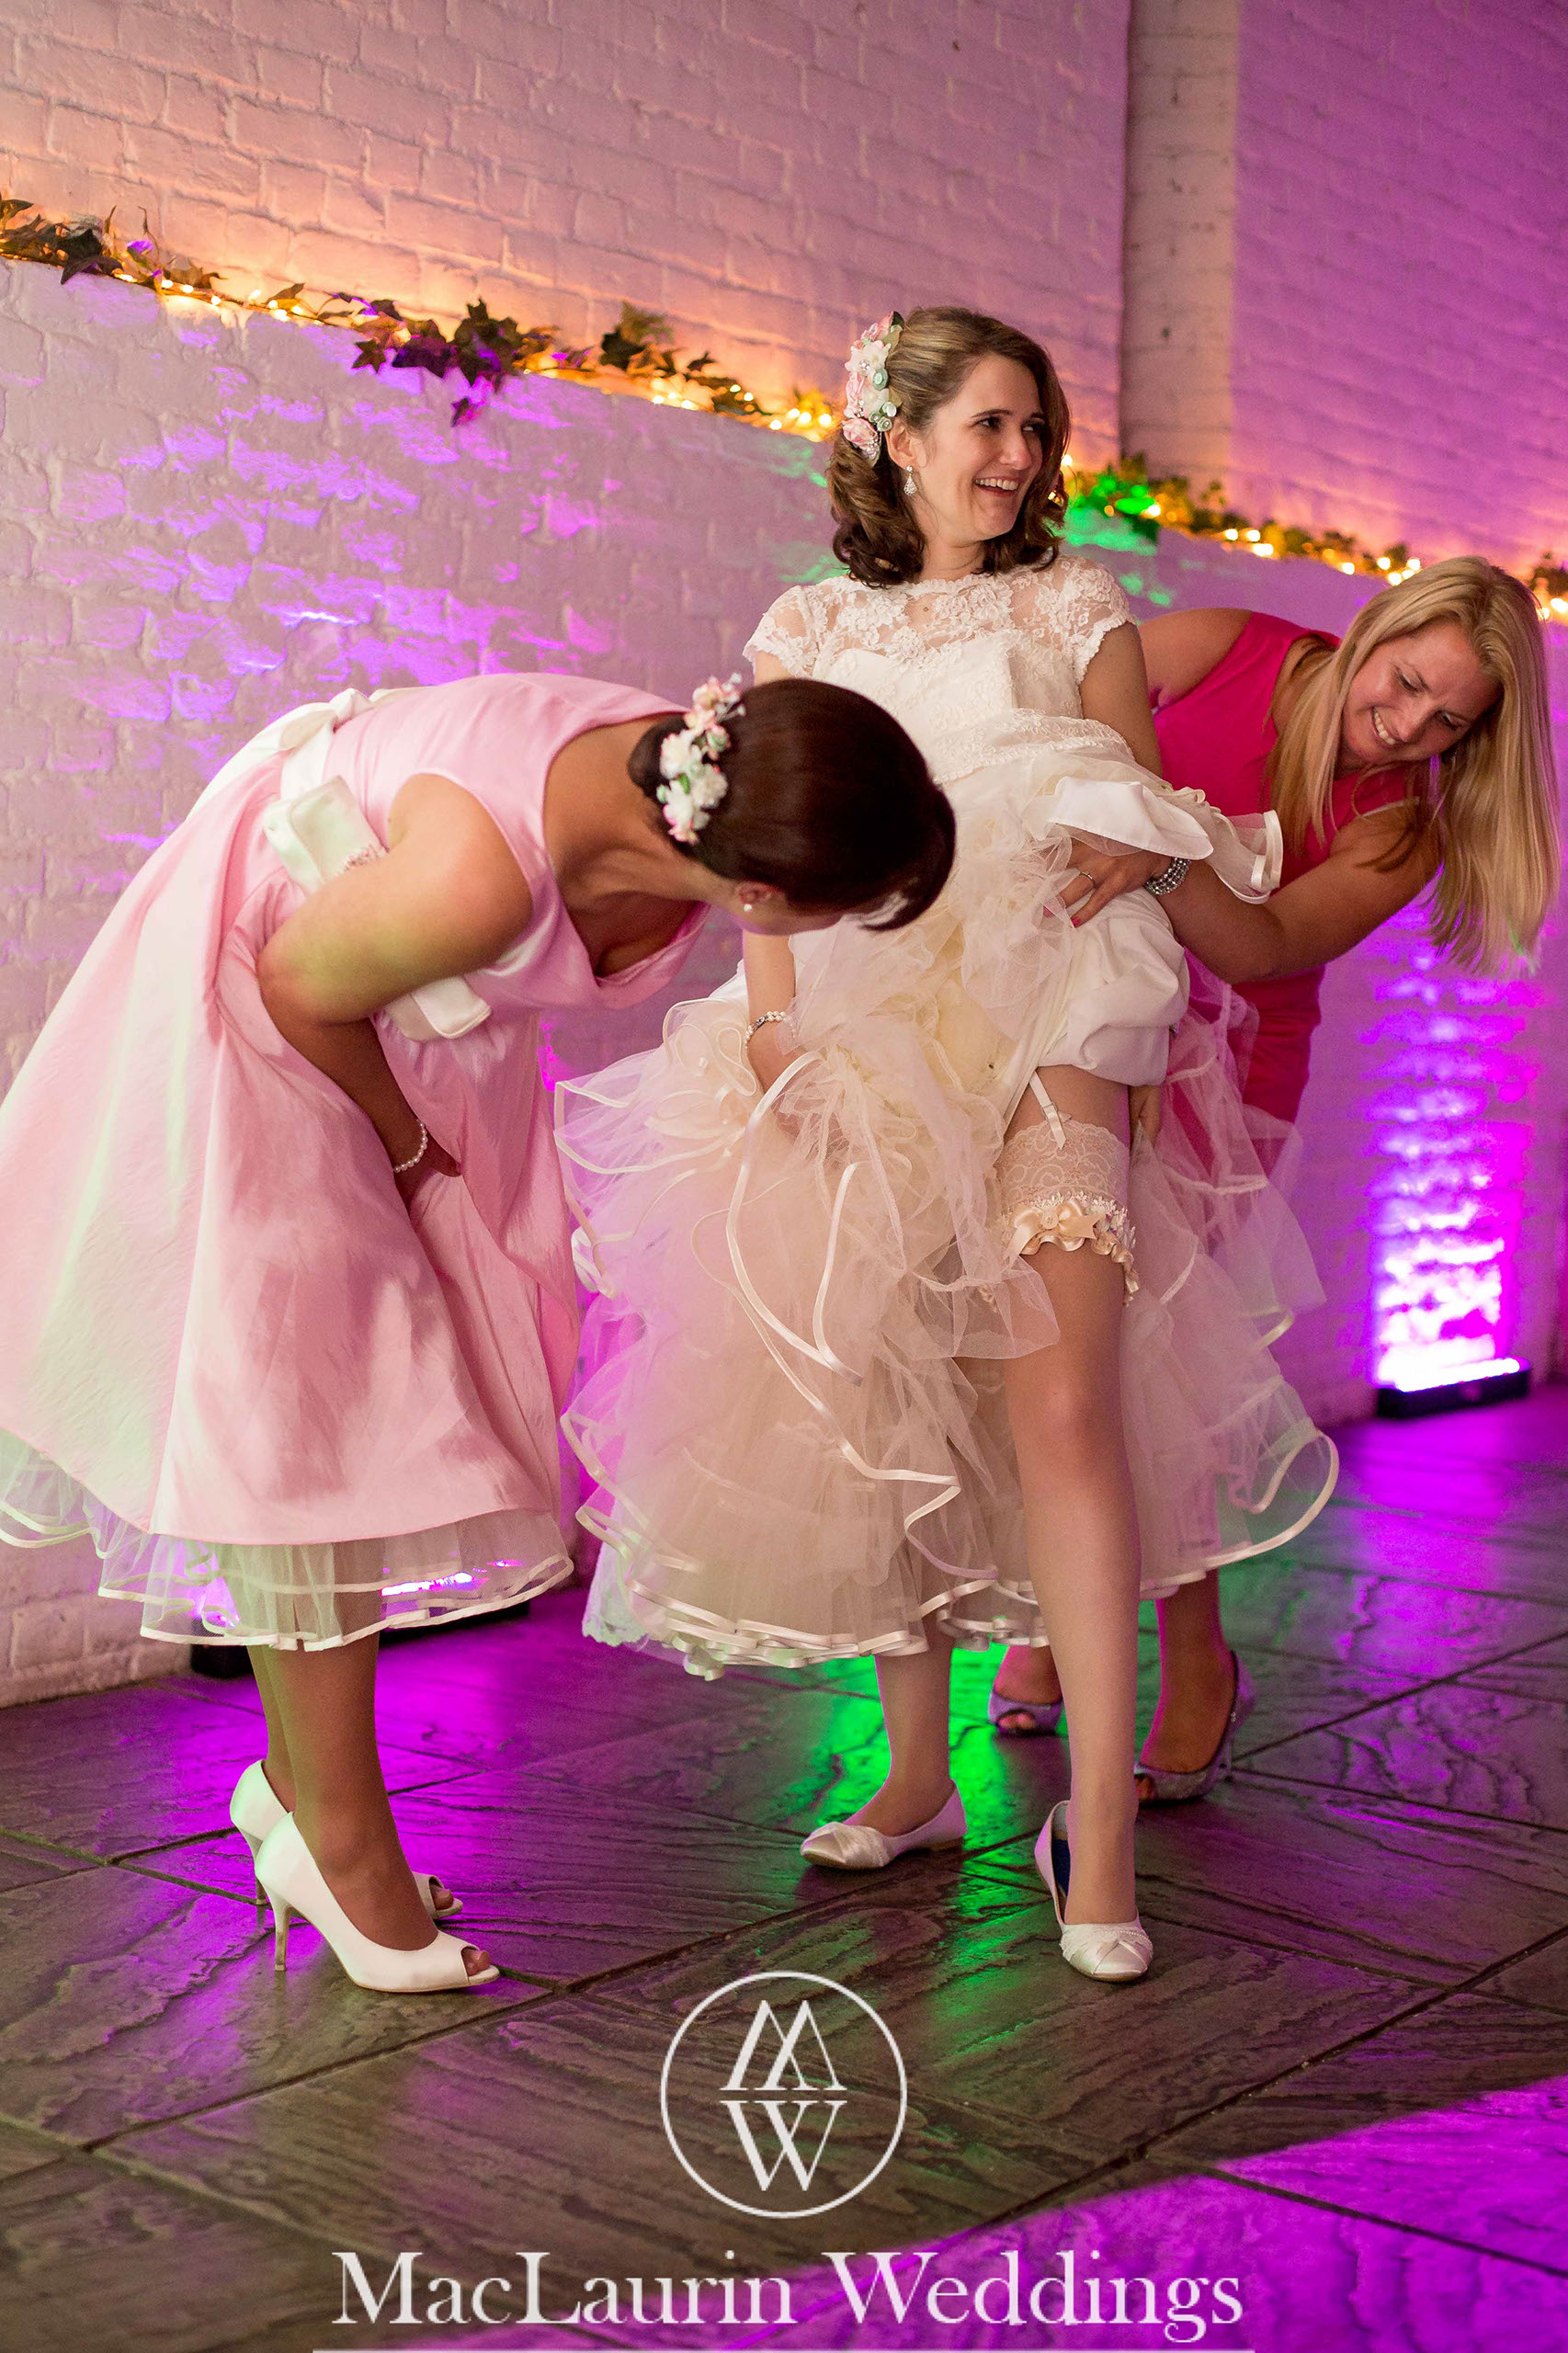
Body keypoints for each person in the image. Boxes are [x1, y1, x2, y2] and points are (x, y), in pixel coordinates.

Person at [560, 307, 1335, 1985]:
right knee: (881, 1386)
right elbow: (770, 837)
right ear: (895, 438)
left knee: (1063, 1409)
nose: (1017, 457)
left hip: (1051, 1021)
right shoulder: (806, 625)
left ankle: (1098, 1837)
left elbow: (1135, 825)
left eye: (1032, 429)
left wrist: (1152, 939)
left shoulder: (1074, 607)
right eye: (988, 423)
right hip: (859, 1026)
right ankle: (915, 1779)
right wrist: (775, 1021)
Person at [0, 666, 952, 1994]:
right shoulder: (479, 882)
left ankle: (297, 1792)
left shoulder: (682, 770)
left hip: (385, 1007)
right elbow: (296, 984)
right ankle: (341, 1844)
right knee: (311, 1436)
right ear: (760, 897)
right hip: (269, 1009)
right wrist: (404, 1145)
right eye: (843, 910)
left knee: (361, 1408)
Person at [988, 560, 1560, 1797]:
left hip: (1226, 1065)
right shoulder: (1224, 646)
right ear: (1374, 631)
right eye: (1404, 682)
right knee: (1037, 1325)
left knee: (1151, 1355)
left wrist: (1151, 855)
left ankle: (1196, 1660)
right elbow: (1036, 718)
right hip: (1071, 1006)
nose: (1405, 726)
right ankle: (1049, 1612)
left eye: (1446, 721)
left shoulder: (1400, 826)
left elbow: (1263, 945)